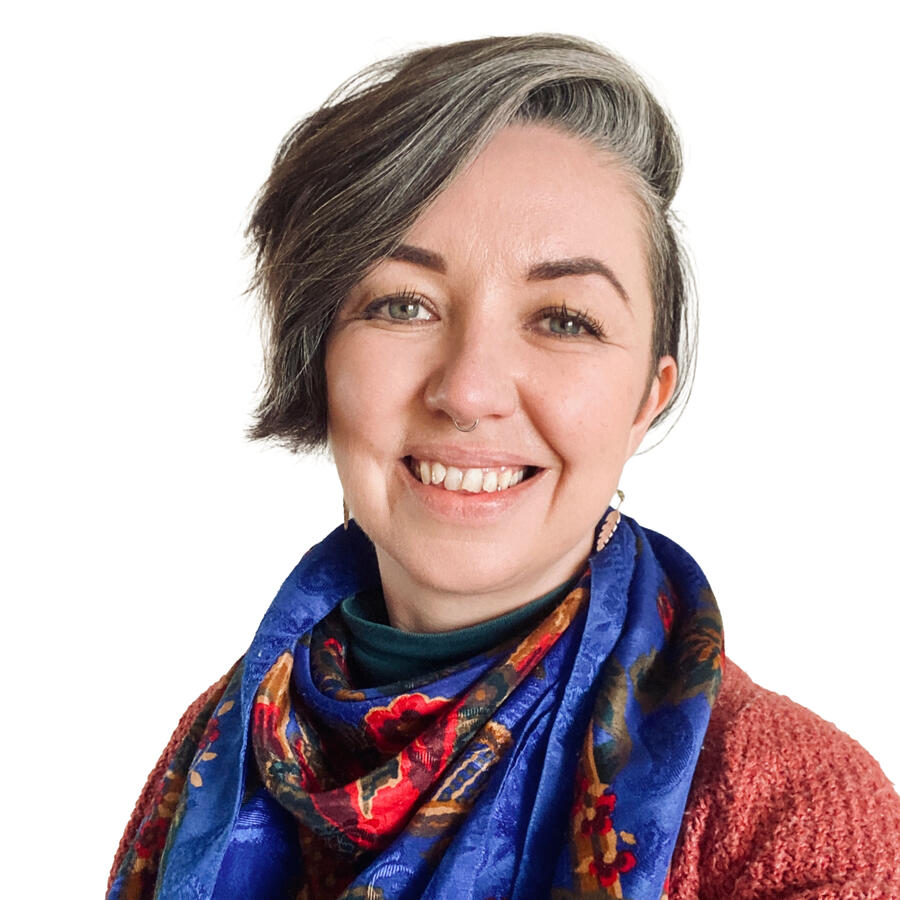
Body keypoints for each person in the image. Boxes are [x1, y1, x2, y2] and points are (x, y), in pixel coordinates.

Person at [107, 34, 900, 900]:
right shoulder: (218, 753)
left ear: (648, 397)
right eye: (403, 305)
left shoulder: (793, 814)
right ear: (318, 359)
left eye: (563, 319)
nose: (468, 390)